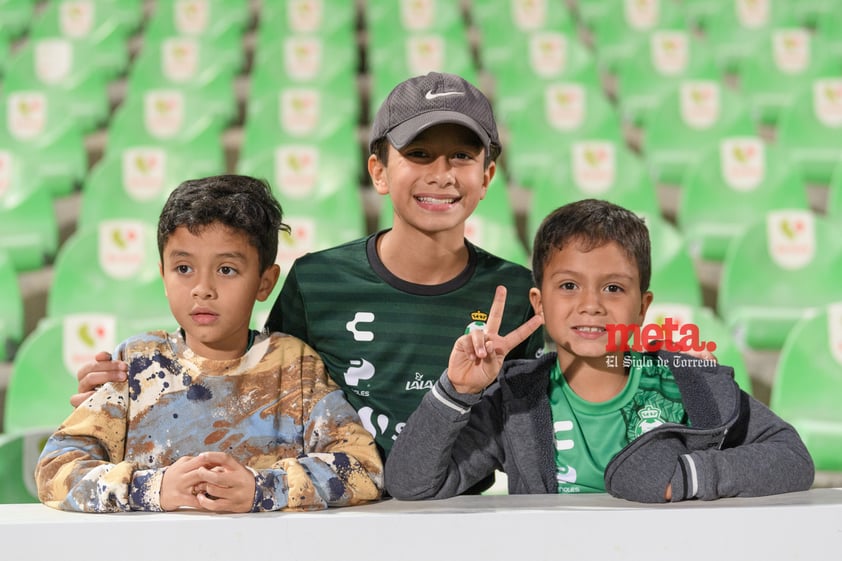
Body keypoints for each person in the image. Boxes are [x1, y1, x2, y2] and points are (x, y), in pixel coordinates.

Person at [71, 72, 546, 463]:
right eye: (418, 154)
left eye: (462, 156)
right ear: (378, 172)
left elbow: (535, 428)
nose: (441, 173)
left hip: (466, 521)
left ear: (486, 177)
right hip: (329, 513)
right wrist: (126, 394)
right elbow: (260, 382)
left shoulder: (518, 292)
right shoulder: (317, 282)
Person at [384, 198, 815, 502]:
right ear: (539, 304)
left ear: (642, 307)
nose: (590, 304)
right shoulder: (515, 402)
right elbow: (411, 484)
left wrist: (686, 477)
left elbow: (793, 458)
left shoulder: (686, 382)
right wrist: (455, 393)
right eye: (568, 286)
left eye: (613, 288)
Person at [36, 175, 383, 513]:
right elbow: (55, 470)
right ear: (163, 275)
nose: (203, 288)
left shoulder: (296, 367)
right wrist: (152, 489)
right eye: (184, 268)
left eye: (227, 270)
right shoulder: (136, 363)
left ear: (265, 282)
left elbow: (364, 467)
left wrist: (264, 488)